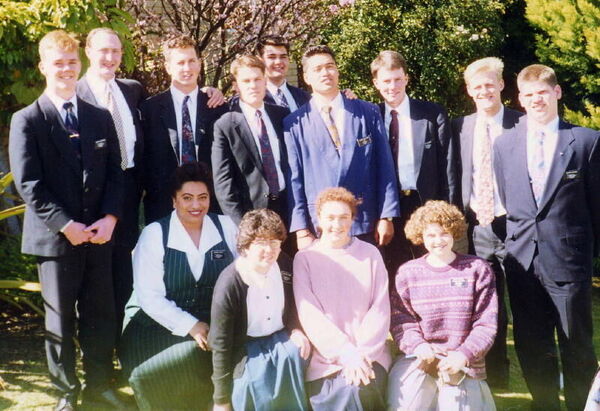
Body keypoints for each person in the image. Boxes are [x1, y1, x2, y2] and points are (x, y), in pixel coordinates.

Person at [8, 30, 126, 411]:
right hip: (57, 240)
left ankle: (98, 386)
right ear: (44, 67)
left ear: (81, 63)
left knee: (101, 316)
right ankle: (65, 393)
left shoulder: (98, 116)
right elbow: (29, 184)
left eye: (72, 62)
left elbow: (115, 173)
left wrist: (110, 217)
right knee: (60, 322)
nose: (66, 69)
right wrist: (65, 225)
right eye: (58, 63)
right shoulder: (27, 120)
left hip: (98, 235)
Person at [494, 64, 600, 410]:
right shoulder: (505, 144)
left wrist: (582, 251)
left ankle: (580, 405)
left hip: (569, 261)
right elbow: (512, 202)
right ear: (519, 99)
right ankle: (544, 405)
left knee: (576, 343)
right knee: (531, 342)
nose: (536, 99)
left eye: (542, 92)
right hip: (523, 261)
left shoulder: (586, 141)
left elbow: (596, 206)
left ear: (556, 93)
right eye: (528, 94)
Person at [119, 162, 237, 410]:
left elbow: (240, 278)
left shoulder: (226, 227)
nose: (196, 205)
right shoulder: (155, 234)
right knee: (176, 363)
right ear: (174, 201)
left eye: (202, 197)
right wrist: (191, 326)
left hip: (211, 319)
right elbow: (149, 298)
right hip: (153, 324)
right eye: (187, 198)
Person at [451, 57, 523, 389]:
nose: (484, 91)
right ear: (469, 90)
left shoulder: (521, 122)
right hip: (478, 227)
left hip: (516, 225)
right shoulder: (460, 127)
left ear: (501, 85)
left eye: (489, 84)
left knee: (525, 302)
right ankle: (496, 376)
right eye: (477, 86)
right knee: (486, 304)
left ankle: (537, 371)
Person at [285, 45, 399, 250]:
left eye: (330, 66)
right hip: (321, 223)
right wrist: (301, 229)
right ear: (306, 77)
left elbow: (385, 166)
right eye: (317, 69)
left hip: (365, 220)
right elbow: (295, 180)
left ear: (337, 71)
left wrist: (386, 215)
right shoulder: (294, 123)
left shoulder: (367, 112)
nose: (325, 73)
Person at [388, 200, 498, 410]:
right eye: (431, 235)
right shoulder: (408, 272)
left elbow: (486, 324)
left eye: (444, 233)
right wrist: (418, 345)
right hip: (419, 357)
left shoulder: (477, 269)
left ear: (454, 232)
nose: (438, 240)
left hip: (462, 360)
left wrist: (463, 354)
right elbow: (401, 320)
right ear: (421, 236)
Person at [76, 27, 147, 342]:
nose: (109, 57)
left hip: (129, 191)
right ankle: (95, 350)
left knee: (124, 273)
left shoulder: (132, 89)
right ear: (88, 51)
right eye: (103, 50)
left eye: (115, 51)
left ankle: (123, 346)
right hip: (92, 197)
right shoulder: (75, 94)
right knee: (95, 279)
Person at [293, 187, 391, 410]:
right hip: (326, 358)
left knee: (358, 389)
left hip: (370, 354)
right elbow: (310, 315)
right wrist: (346, 353)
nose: (336, 225)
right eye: (330, 218)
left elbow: (380, 308)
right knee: (344, 394)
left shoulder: (370, 254)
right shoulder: (305, 258)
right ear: (318, 219)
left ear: (353, 219)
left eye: (344, 217)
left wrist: (361, 354)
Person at [209, 209, 310, 411]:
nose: (269, 249)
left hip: (280, 338)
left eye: (274, 242)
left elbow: (295, 303)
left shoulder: (284, 265)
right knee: (251, 384)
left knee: (297, 355)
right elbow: (220, 343)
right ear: (245, 247)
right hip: (245, 347)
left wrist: (295, 328)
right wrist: (221, 400)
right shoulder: (229, 283)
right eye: (261, 243)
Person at [371, 50, 456, 276]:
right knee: (394, 271)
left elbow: (447, 166)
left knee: (433, 267)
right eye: (386, 81)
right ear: (376, 83)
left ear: (406, 78)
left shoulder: (431, 114)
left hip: (424, 203)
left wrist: (447, 212)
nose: (393, 86)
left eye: (398, 79)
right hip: (389, 208)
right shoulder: (370, 116)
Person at [142, 34, 227, 224]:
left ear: (199, 63)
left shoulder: (217, 106)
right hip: (164, 205)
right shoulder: (150, 109)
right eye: (180, 63)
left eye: (191, 61)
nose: (187, 68)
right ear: (168, 67)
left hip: (211, 203)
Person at [212, 55, 290, 224]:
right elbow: (223, 183)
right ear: (236, 86)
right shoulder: (226, 124)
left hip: (287, 208)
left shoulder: (282, 115)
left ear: (265, 81)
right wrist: (241, 224)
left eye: (257, 79)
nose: (253, 86)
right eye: (246, 81)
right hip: (252, 214)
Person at [257, 35, 311, 111]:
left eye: (283, 57)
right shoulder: (254, 98)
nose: (278, 62)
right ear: (260, 61)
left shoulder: (304, 97)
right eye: (272, 57)